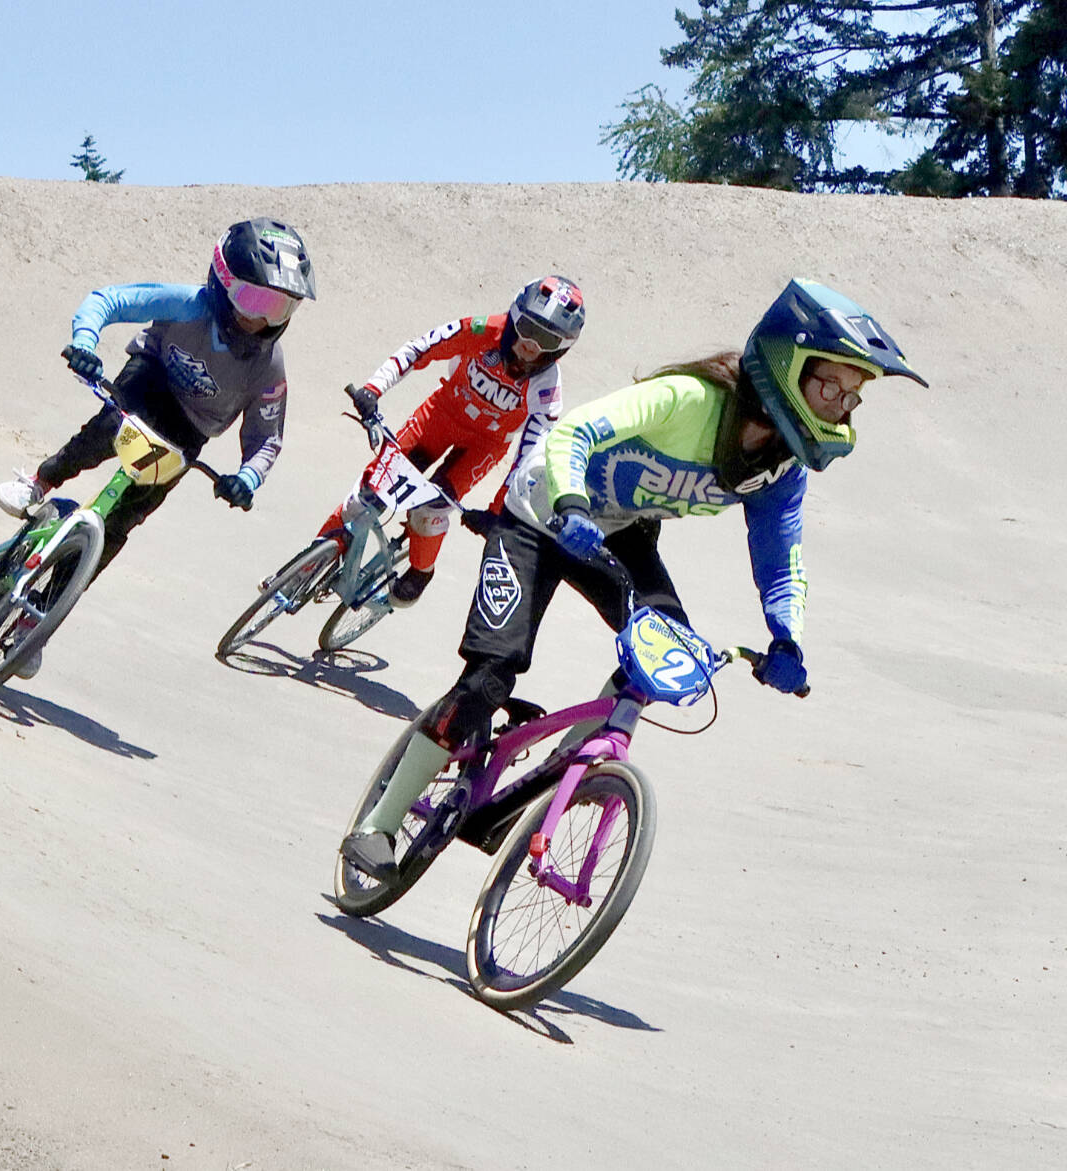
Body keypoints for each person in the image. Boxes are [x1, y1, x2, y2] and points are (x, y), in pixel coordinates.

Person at [340, 277, 928, 880]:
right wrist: (569, 502)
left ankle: (565, 769)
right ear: (787, 363)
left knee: (671, 655)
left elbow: (781, 559)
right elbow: (575, 433)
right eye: (831, 384)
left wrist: (788, 639)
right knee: (490, 677)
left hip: (618, 535)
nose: (841, 404)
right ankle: (377, 825)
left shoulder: (782, 465)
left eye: (853, 396)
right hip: (541, 515)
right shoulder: (691, 399)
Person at [0, 217, 315, 677]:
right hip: (150, 380)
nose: (264, 320)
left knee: (120, 523)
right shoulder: (189, 305)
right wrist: (85, 341)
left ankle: (34, 621)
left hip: (189, 433)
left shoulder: (268, 366)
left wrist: (247, 477)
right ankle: (41, 480)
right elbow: (109, 300)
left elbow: (267, 438)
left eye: (281, 308)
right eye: (256, 299)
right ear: (222, 283)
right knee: (108, 429)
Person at [315, 276, 586, 606]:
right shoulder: (482, 330)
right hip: (439, 418)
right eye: (529, 328)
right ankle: (312, 557)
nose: (532, 344)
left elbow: (529, 453)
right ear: (514, 315)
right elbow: (420, 348)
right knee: (369, 491)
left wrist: (498, 510)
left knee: (431, 510)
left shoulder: (547, 387)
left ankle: (421, 571)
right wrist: (374, 389)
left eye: (546, 338)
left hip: (482, 447)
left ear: (562, 347)